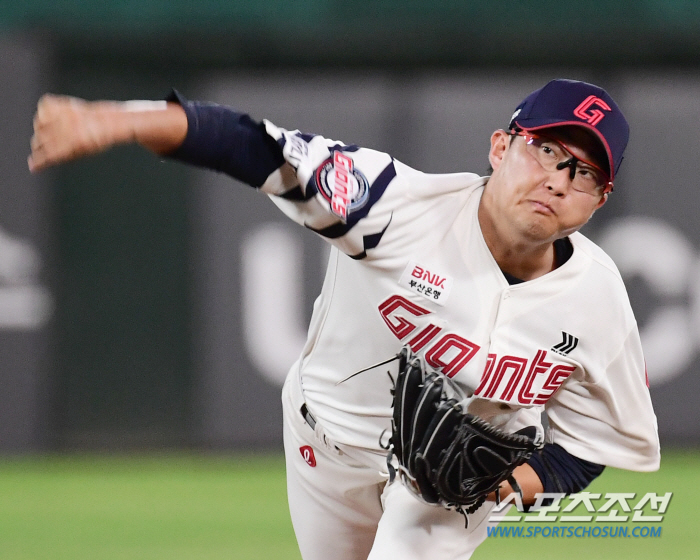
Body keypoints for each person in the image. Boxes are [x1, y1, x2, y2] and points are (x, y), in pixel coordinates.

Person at [29, 78, 660, 559]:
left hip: (444, 491)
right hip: (322, 441)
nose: (556, 179)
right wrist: (119, 119)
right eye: (545, 150)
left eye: (583, 171)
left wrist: (528, 478)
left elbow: (599, 437)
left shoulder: (597, 300)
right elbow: (260, 149)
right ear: (501, 147)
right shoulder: (395, 204)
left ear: (601, 200)